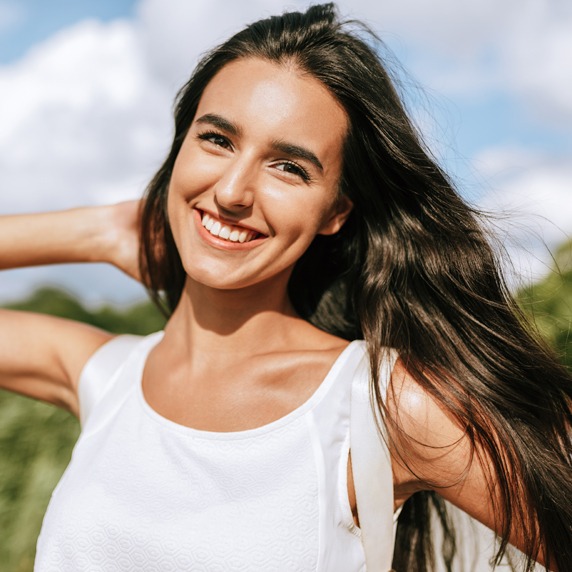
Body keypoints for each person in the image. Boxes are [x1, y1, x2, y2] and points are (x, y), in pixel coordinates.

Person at [1, 3, 570, 571]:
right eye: (217, 140)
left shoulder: (380, 402)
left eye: (289, 168)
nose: (232, 192)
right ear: (178, 149)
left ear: (336, 211)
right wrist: (99, 231)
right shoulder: (106, 375)